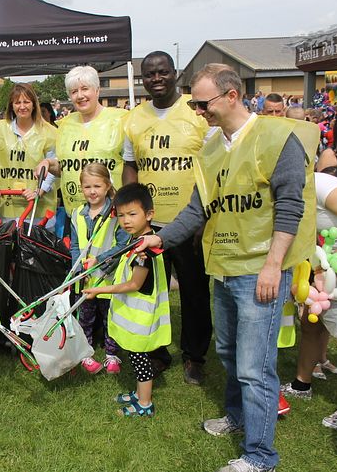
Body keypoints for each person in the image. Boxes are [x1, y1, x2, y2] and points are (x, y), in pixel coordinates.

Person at [137, 64, 319, 472]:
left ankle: (260, 456)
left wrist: (274, 266)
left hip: (261, 272)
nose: (199, 111)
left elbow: (291, 205)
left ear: (232, 95)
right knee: (229, 353)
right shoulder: (212, 147)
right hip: (224, 266)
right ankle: (237, 418)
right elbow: (198, 208)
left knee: (256, 368)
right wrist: (160, 239)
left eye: (204, 103)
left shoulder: (277, 137)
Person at [122, 51, 212, 384]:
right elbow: (131, 166)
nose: (156, 79)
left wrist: (204, 215)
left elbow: (213, 165)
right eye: (149, 74)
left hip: (189, 221)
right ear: (141, 79)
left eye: (162, 72)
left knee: (194, 291)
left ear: (175, 73)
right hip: (150, 225)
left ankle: (194, 356)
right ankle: (157, 354)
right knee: (150, 292)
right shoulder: (133, 119)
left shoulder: (196, 112)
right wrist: (131, 212)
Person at [84, 183, 169, 417]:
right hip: (134, 316)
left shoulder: (145, 250)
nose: (126, 220)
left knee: (141, 361)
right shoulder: (137, 240)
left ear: (149, 214)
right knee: (135, 356)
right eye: (121, 215)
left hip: (141, 318)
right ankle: (140, 393)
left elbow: (134, 284)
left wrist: (99, 291)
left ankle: (144, 404)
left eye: (132, 214)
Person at [279, 166, 337, 431]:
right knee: (310, 321)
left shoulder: (321, 185)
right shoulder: (283, 190)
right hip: (320, 265)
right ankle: (301, 383)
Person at [36, 65, 128, 215]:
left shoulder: (120, 120)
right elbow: (64, 166)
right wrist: (48, 163)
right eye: (74, 91)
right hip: (75, 214)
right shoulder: (65, 124)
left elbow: (132, 164)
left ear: (97, 90)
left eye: (85, 89)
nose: (80, 96)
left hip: (112, 213)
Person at [70, 162, 129, 374]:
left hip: (109, 279)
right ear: (81, 188)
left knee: (109, 318)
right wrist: (77, 269)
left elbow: (122, 244)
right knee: (85, 317)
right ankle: (85, 354)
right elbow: (75, 245)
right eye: (87, 187)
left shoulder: (116, 213)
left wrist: (100, 260)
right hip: (86, 279)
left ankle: (112, 354)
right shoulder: (77, 214)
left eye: (97, 186)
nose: (92, 191)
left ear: (107, 186)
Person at [0, 83, 58, 224]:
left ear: (34, 104)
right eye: (17, 102)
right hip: (8, 208)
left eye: (26, 102)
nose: (22, 106)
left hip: (39, 210)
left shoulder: (48, 132)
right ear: (11, 105)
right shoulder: (0, 129)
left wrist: (39, 191)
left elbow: (52, 169)